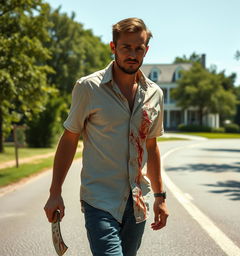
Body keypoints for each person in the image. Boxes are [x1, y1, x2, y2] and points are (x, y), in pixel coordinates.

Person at [44, 17, 169, 256]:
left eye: (138, 48)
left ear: (146, 50)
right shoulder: (88, 88)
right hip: (99, 200)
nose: (133, 54)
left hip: (137, 202)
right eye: (126, 48)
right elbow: (69, 139)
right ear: (113, 48)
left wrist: (160, 196)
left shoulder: (155, 93)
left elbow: (151, 146)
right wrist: (55, 192)